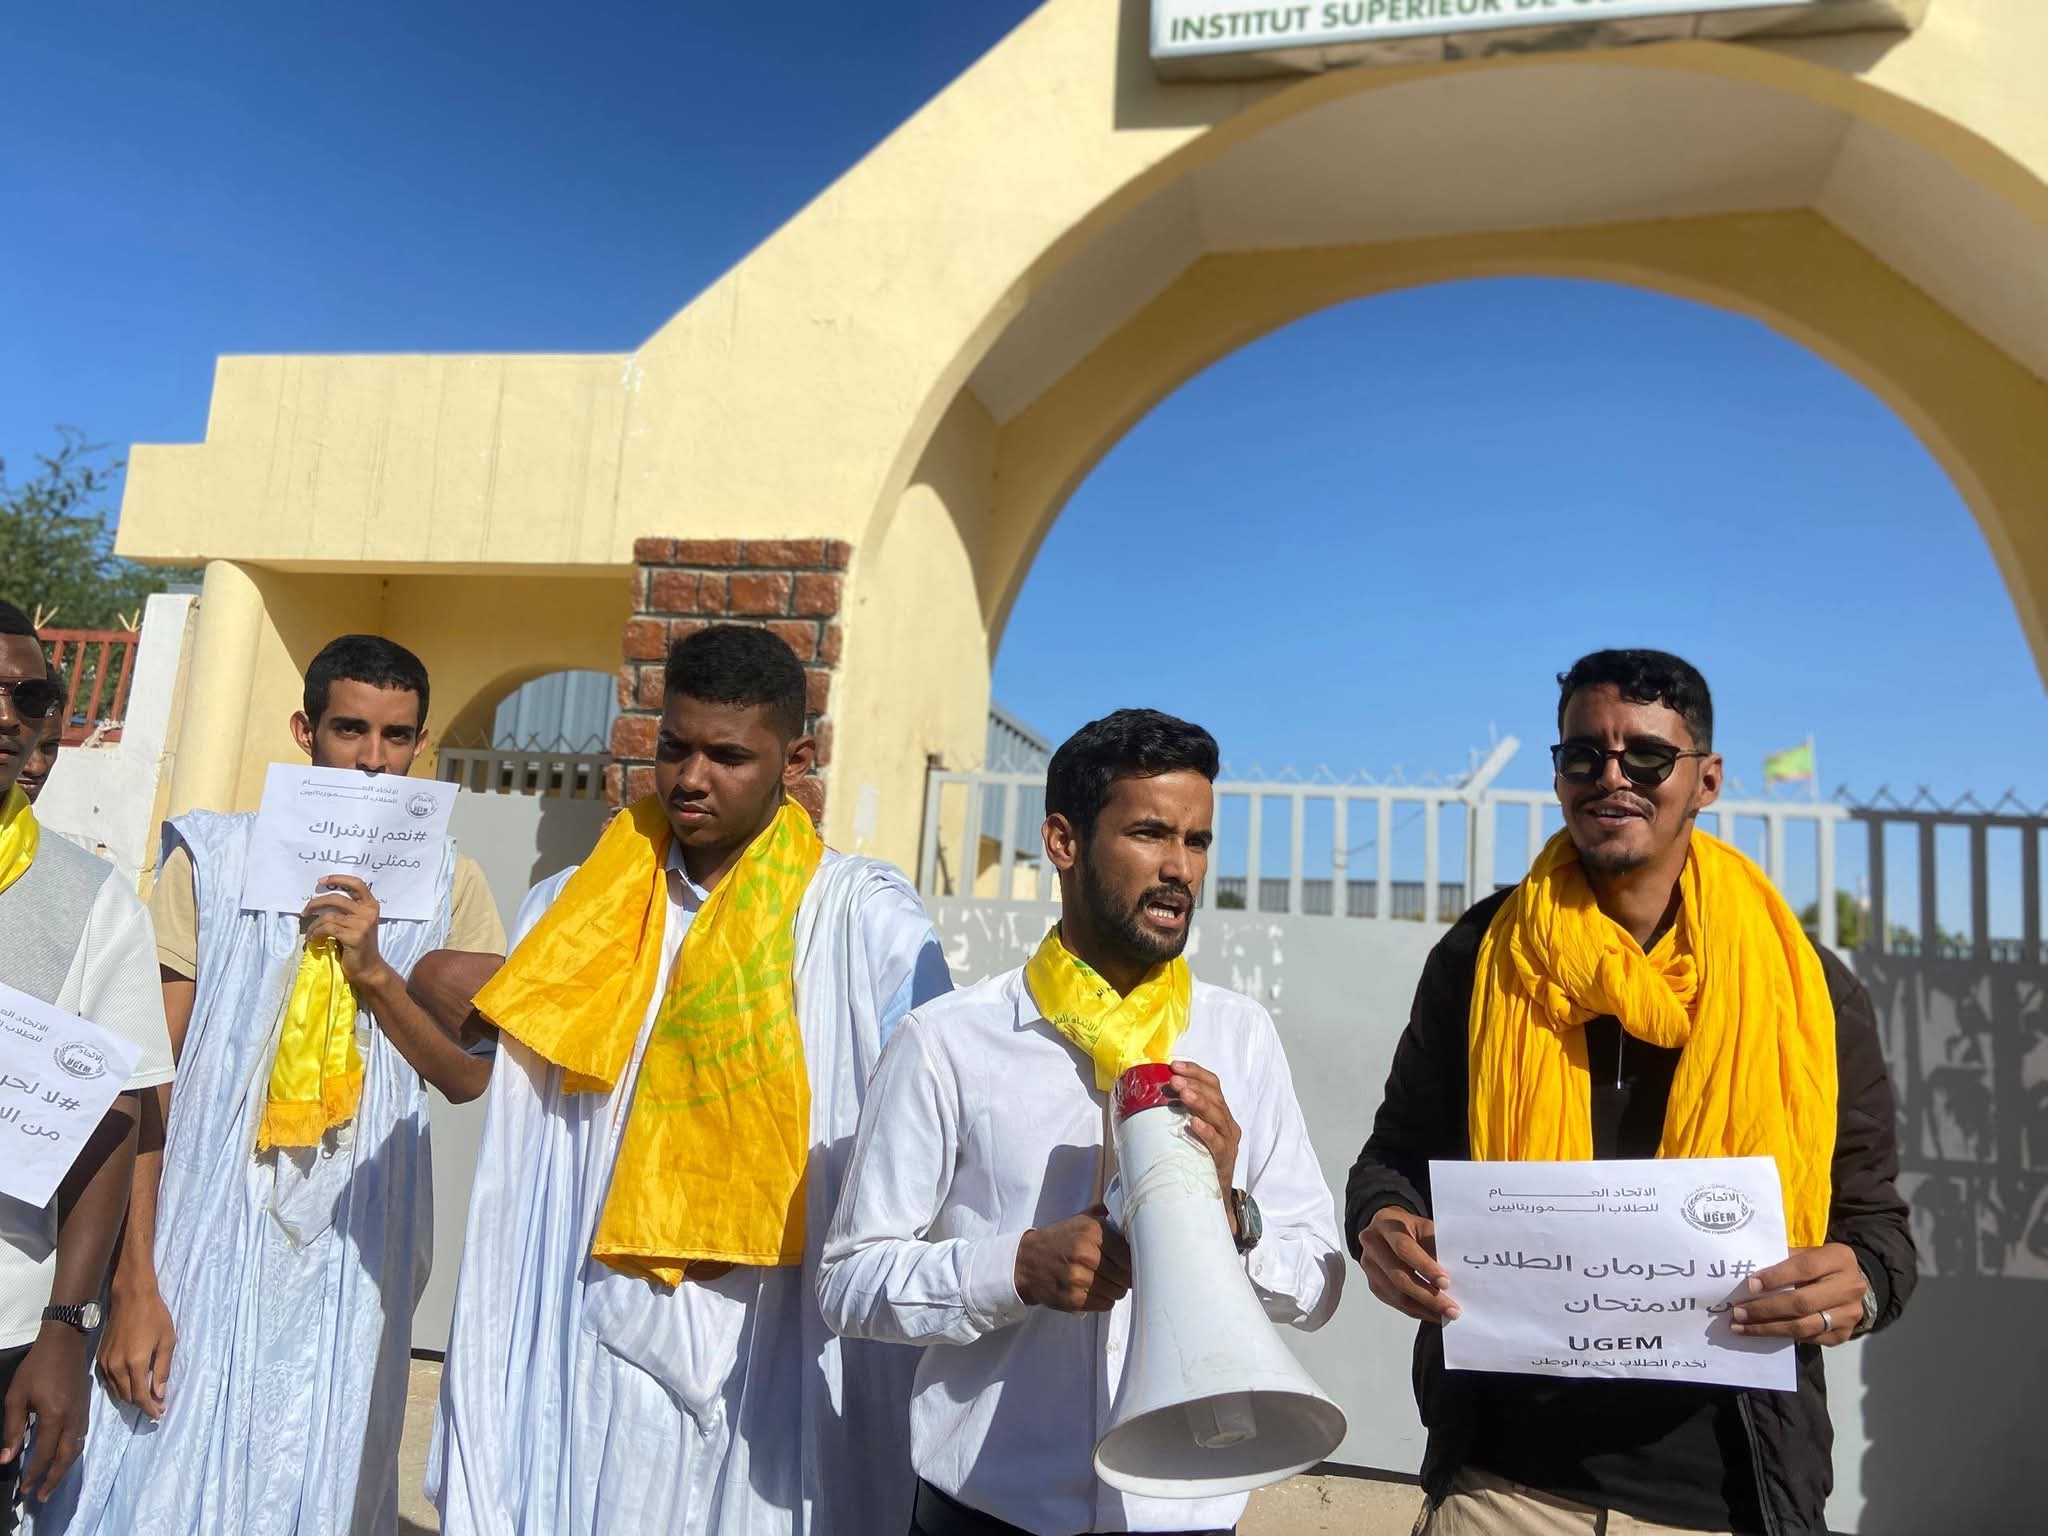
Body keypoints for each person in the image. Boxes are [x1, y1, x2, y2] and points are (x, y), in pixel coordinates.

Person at [1347, 650, 1914, 1536]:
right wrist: (1383, 1223)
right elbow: (1394, 1155)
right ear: (1560, 776)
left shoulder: (1808, 992)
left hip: (1726, 1495)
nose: (1613, 778)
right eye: (1584, 756)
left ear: (1706, 781)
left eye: (1647, 757)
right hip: (1506, 1486)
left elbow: (1878, 1231)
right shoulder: (1483, 958)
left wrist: (1861, 1285)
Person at [423, 623, 951, 1536]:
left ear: (796, 761)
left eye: (729, 756)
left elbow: (932, 1116)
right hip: (587, 1293)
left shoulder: (862, 920)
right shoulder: (574, 909)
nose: (691, 778)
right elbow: (508, 1083)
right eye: (674, 748)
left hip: (773, 1323)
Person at [818, 708, 1344, 1536]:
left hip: (1185, 1516)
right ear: (1063, 841)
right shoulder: (948, 1041)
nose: (1179, 869)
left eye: (1198, 841)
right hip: (987, 1515)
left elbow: (1317, 1283)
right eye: (1149, 833)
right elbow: (848, 1282)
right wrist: (1013, 1270)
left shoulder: (1239, 1037)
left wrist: (1229, 1214)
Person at [44, 634, 506, 1536]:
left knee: (324, 1468)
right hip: (201, 1221)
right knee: (158, 1462)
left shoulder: (453, 881)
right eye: (350, 730)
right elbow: (146, 1077)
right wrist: (133, 1280)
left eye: (397, 737)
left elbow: (464, 1079)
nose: (373, 760)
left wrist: (378, 975)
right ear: (305, 731)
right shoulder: (213, 860)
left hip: (361, 1233)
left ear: (422, 745)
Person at [0, 601, 173, 1533]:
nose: (10, 716)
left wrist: (66, 1329)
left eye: (30, 697)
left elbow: (114, 1117)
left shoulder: (94, 900)